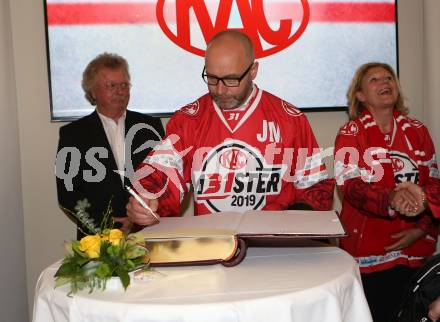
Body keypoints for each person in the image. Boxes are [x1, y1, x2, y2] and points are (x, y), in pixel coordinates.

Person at [126, 30, 334, 226]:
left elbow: (316, 186)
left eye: (231, 79)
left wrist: (297, 216)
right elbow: (160, 174)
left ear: (253, 71)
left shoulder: (290, 119)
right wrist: (148, 201)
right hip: (211, 244)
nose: (221, 90)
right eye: (212, 78)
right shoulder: (188, 120)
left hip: (275, 244)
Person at [334, 62, 440, 322]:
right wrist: (391, 199)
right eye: (374, 79)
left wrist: (422, 227)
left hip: (415, 251)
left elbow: (434, 184)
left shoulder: (418, 131)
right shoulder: (351, 133)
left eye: (389, 77)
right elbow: (351, 188)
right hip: (370, 254)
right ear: (359, 95)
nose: (385, 82)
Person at [56, 52, 164, 238]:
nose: (120, 91)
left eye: (124, 85)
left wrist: (137, 218)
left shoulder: (150, 127)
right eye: (111, 85)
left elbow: (165, 180)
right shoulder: (72, 134)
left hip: (148, 233)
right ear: (92, 91)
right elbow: (67, 194)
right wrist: (107, 224)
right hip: (96, 240)